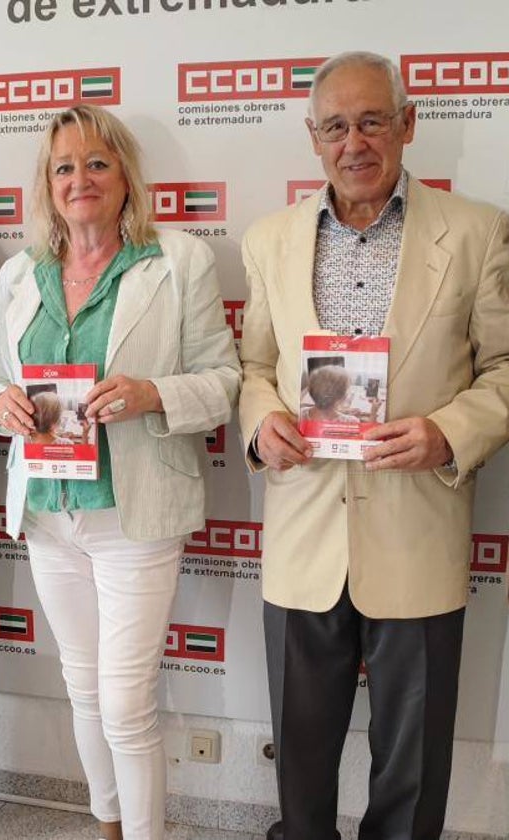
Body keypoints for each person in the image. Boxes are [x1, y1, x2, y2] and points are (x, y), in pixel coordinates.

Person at [238, 51, 509, 840]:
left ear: (408, 125)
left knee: (411, 762)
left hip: (417, 525)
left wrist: (446, 433)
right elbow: (255, 365)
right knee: (301, 754)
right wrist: (261, 422)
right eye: (334, 127)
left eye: (371, 121)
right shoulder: (269, 240)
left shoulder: (477, 232)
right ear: (313, 138)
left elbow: (502, 368)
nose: (353, 143)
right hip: (303, 528)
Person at [0, 104, 240, 840]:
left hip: (134, 514)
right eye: (64, 167)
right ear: (47, 185)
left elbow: (223, 379)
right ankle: (108, 825)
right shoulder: (18, 274)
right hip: (49, 514)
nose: (80, 179)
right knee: (82, 687)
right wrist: (1, 405)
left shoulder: (178, 261)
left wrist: (153, 393)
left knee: (127, 702)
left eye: (97, 163)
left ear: (126, 175)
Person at [301, 366, 380, 424]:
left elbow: (324, 411)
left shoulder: (301, 414)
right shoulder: (351, 421)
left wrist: (343, 412)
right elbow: (369, 435)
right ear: (343, 397)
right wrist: (374, 411)